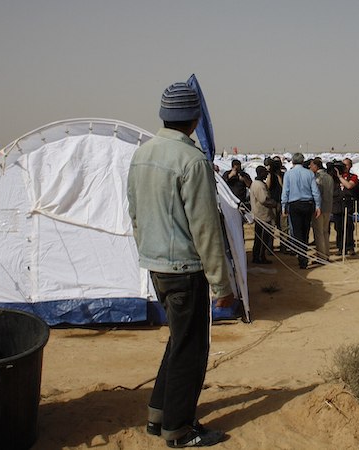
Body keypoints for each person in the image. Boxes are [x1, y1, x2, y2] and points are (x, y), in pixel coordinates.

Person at [127, 81, 234, 448]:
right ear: (194, 120)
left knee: (178, 341)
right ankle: (179, 430)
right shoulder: (192, 161)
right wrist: (221, 285)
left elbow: (135, 215)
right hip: (186, 271)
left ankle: (159, 415)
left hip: (158, 268)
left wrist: (150, 253)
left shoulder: (142, 155)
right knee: (191, 350)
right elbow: (206, 229)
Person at [281, 153, 321, 269]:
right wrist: (318, 206)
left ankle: (302, 258)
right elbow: (315, 191)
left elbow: (285, 191)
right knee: (305, 230)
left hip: (294, 205)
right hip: (307, 204)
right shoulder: (309, 174)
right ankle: (303, 255)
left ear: (293, 162)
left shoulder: (288, 174)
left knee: (297, 232)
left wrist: (284, 206)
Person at [250, 165, 276, 264]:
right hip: (262, 216)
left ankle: (259, 256)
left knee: (261, 238)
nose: (266, 174)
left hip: (261, 215)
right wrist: (274, 203)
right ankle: (259, 256)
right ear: (261, 173)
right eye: (265, 172)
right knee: (261, 238)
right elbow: (264, 199)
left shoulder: (258, 184)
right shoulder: (259, 185)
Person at [310, 157, 334, 261]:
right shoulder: (329, 177)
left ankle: (321, 256)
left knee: (319, 232)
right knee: (325, 232)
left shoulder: (318, 178)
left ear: (316, 166)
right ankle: (326, 253)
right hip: (328, 207)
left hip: (319, 208)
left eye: (311, 165)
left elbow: (317, 193)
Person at [331, 160, 357, 256]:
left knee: (349, 227)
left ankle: (350, 246)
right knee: (338, 227)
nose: (344, 167)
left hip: (347, 204)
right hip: (337, 204)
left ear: (350, 166)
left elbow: (349, 185)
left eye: (346, 165)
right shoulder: (333, 177)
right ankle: (340, 247)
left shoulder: (353, 176)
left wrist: (340, 177)